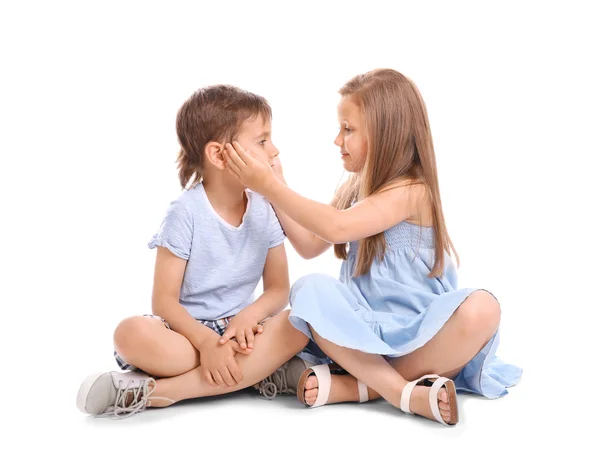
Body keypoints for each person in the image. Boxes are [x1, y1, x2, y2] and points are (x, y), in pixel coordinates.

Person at [223, 68, 522, 426]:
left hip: (419, 335)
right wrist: (275, 181)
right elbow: (309, 243)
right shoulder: (354, 190)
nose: (337, 140)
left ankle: (363, 387)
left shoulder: (413, 191)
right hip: (363, 334)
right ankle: (398, 390)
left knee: (483, 308)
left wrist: (272, 187)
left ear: (385, 135)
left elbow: (335, 228)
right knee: (310, 288)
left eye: (348, 130)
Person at [76, 84, 311, 418]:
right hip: (187, 335)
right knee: (129, 333)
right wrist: (205, 343)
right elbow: (164, 302)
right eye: (262, 140)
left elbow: (278, 289)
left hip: (243, 331)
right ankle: (259, 371)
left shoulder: (265, 206)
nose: (274, 150)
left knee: (302, 320)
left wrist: (248, 316)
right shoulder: (185, 212)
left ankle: (154, 392)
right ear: (218, 155)